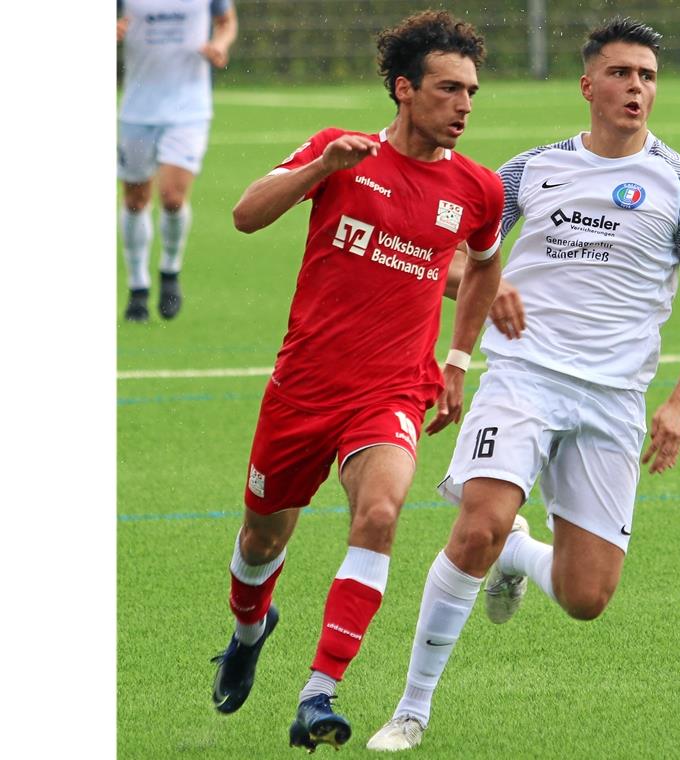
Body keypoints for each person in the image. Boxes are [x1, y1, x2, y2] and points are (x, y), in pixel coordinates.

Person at [367, 16, 680, 752]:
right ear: (588, 85)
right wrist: (480, 295)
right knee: (475, 526)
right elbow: (445, 261)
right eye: (623, 73)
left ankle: (518, 553)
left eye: (649, 76)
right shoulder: (528, 171)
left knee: (585, 597)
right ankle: (412, 709)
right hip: (524, 377)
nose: (637, 88)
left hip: (613, 399)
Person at [208, 11, 505, 753]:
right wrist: (318, 170)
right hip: (302, 390)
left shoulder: (477, 189)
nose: (464, 105)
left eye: (471, 90)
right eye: (447, 88)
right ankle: (250, 629)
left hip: (391, 393)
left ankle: (319, 693)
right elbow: (246, 216)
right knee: (260, 538)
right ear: (405, 90)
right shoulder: (343, 152)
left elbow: (479, 264)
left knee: (378, 515)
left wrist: (459, 360)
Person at [117, 0, 238, 322]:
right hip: (137, 108)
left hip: (189, 108)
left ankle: (170, 270)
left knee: (172, 197)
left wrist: (219, 44)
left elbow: (226, 21)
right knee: (134, 200)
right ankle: (137, 287)